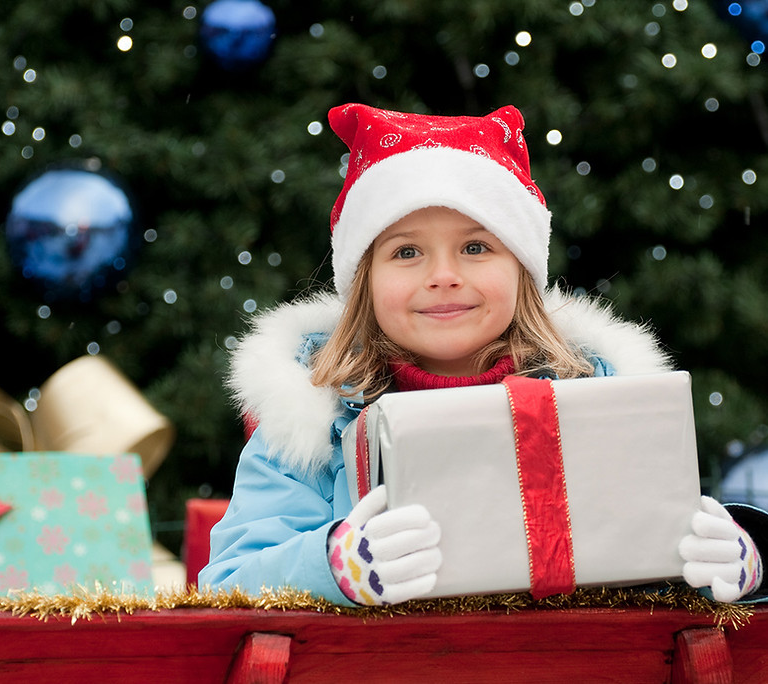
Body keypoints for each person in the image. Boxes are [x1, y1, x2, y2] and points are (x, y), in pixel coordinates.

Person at [199, 102, 764, 606]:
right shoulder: (311, 421)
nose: (443, 276)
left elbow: (662, 544)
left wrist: (737, 558)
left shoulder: (599, 398)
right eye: (407, 251)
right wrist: (333, 566)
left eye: (475, 247)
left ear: (522, 270)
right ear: (364, 281)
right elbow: (229, 580)